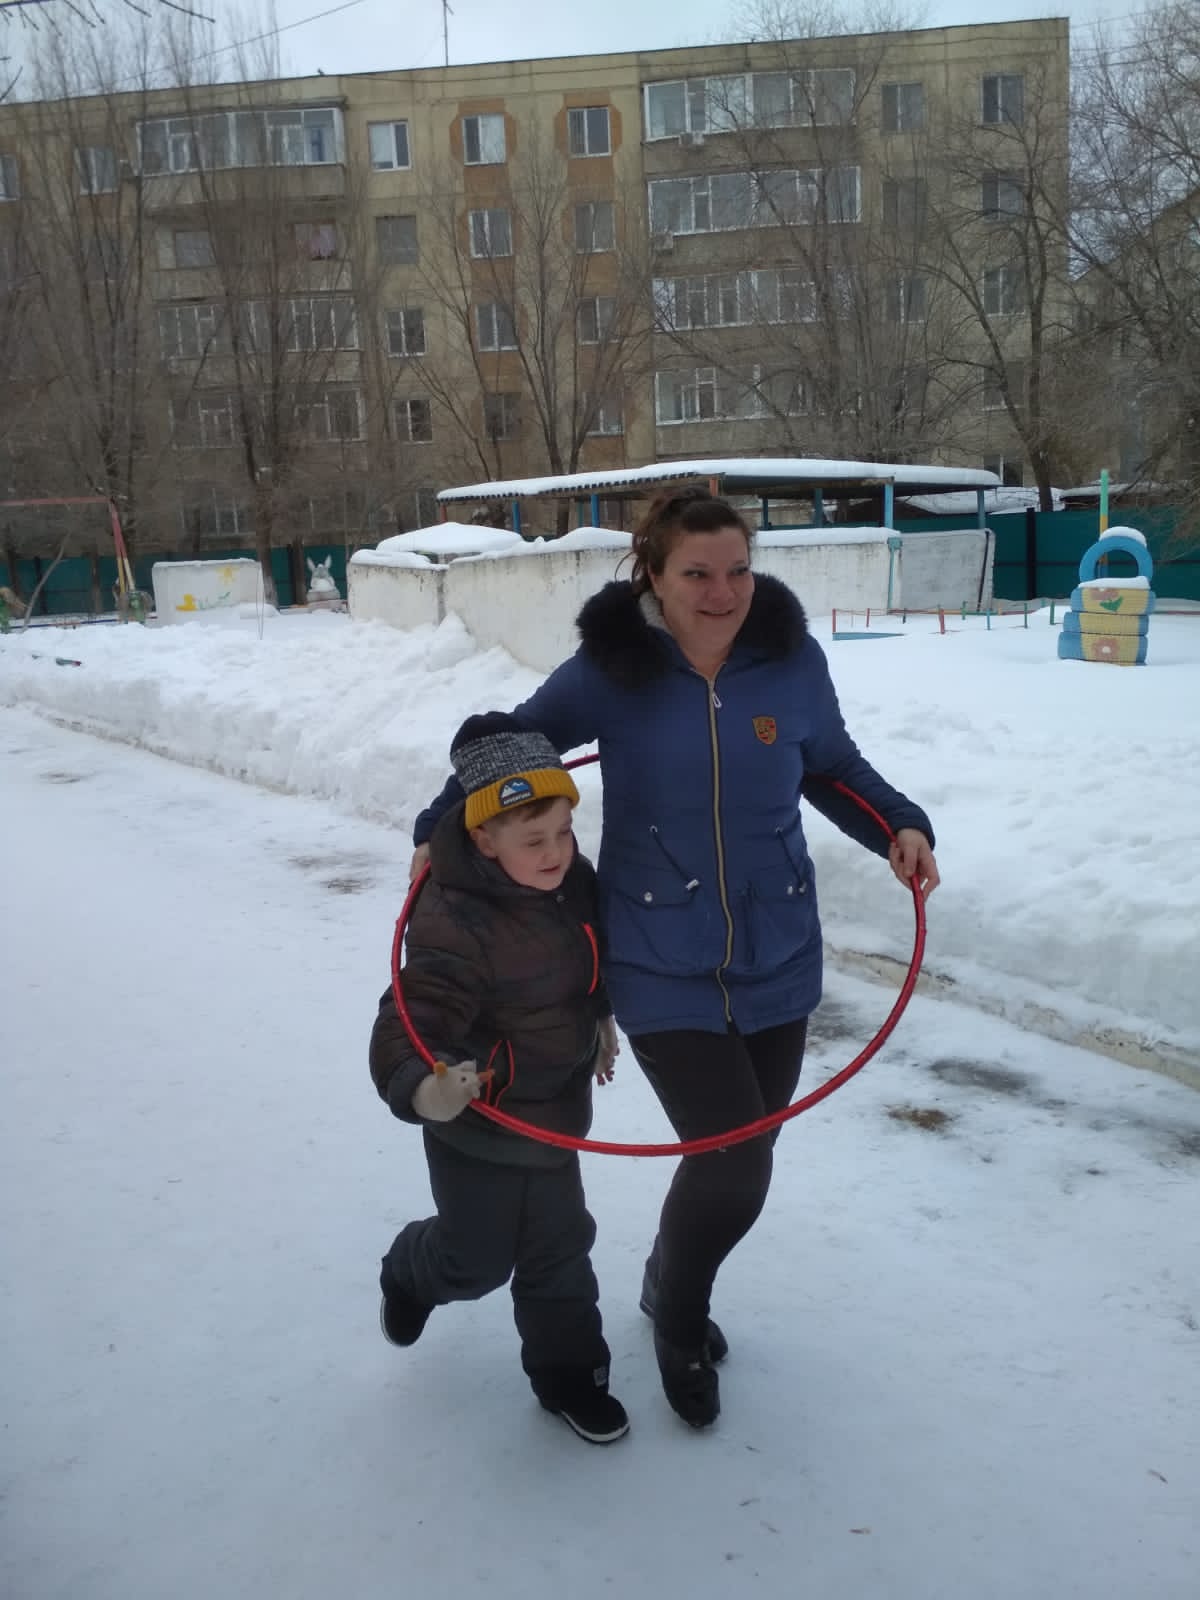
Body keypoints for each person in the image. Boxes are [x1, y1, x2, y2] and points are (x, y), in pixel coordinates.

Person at [409, 489, 940, 1430]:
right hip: (658, 953)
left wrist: (897, 822)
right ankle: (680, 1321)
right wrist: (435, 828)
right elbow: (511, 751)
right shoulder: (613, 669)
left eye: (738, 570)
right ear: (653, 574)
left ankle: (666, 1279)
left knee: (747, 1152)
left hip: (778, 948)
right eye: (697, 572)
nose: (722, 591)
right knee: (733, 1162)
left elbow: (830, 764)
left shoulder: (790, 660)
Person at [370, 713, 626, 1445]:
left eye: (564, 832)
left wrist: (600, 1018)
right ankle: (410, 1269)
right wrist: (427, 1087)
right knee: (475, 1262)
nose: (556, 852)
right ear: (484, 839)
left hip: (555, 1114)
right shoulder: (454, 916)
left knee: (560, 1252)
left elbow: (588, 964)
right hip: (477, 1125)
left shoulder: (574, 883)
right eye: (533, 840)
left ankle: (571, 1376)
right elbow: (412, 1012)